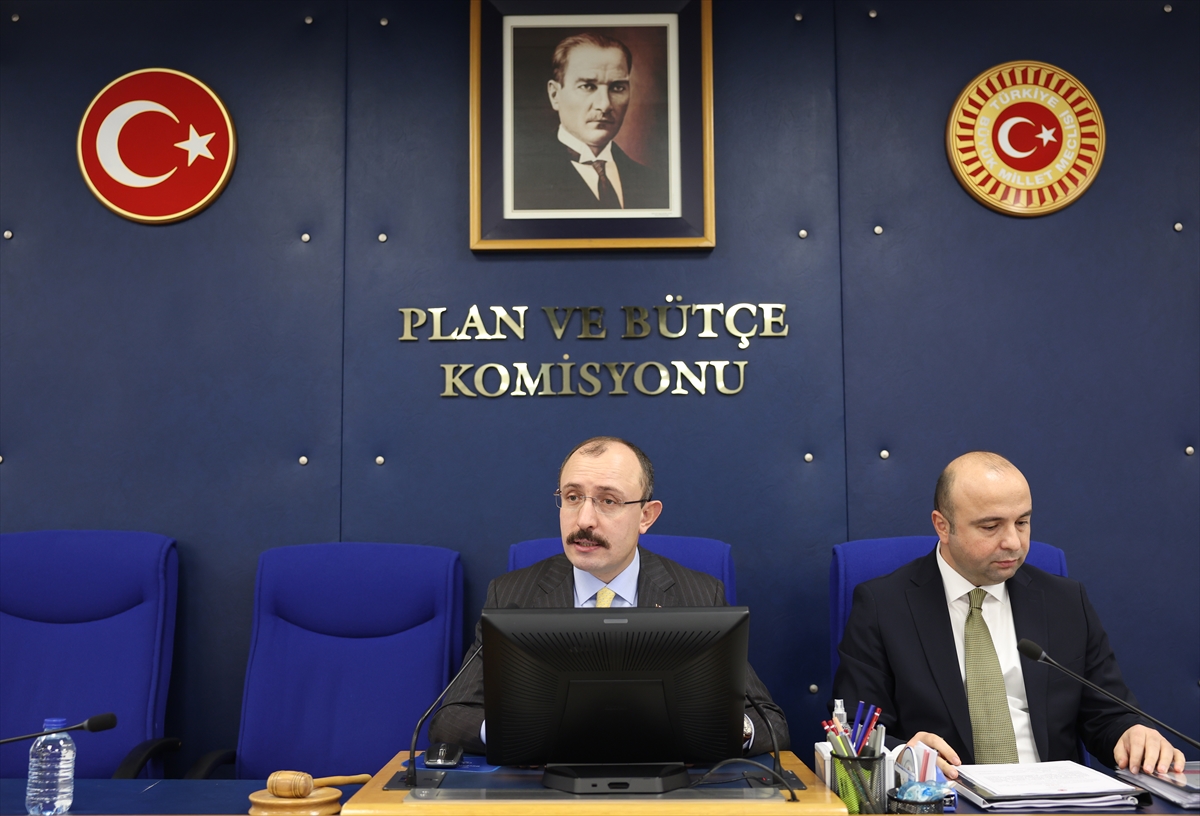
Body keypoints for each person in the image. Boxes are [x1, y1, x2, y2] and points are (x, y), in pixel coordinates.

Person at [832, 451, 1185, 778]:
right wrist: (904, 756)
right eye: (991, 527)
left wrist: (1131, 732)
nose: (1013, 542)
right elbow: (856, 734)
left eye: (1022, 522)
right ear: (942, 525)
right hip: (949, 797)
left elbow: (1107, 714)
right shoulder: (883, 606)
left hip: (1055, 801)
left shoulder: (1064, 602)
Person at [429, 435, 789, 755]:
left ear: (646, 516)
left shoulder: (697, 595)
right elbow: (450, 718)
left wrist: (717, 729)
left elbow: (770, 723)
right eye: (572, 497)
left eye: (608, 501)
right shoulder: (512, 595)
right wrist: (520, 732)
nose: (584, 519)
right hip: (548, 787)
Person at [513, 33, 667, 211]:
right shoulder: (519, 180)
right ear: (555, 95)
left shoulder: (655, 182)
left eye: (617, 87)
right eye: (587, 86)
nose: (605, 105)